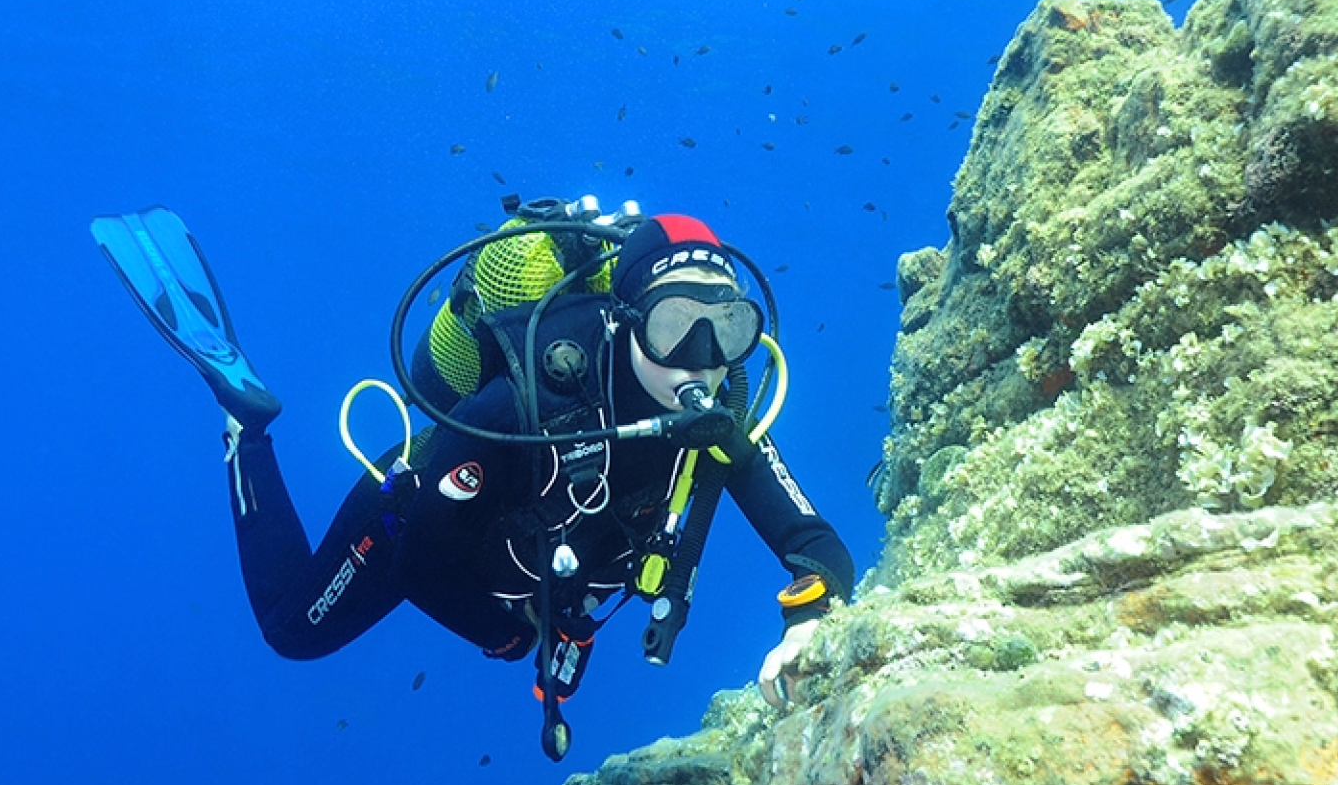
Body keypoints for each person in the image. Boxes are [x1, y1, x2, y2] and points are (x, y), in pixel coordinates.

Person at [91, 201, 853, 755]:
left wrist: (810, 614)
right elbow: (421, 557)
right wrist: (507, 635)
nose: (701, 357)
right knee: (292, 632)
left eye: (725, 327)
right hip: (416, 505)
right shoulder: (532, 396)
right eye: (673, 324)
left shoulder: (718, 418)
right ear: (623, 320)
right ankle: (245, 425)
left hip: (528, 566)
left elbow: (811, 537)